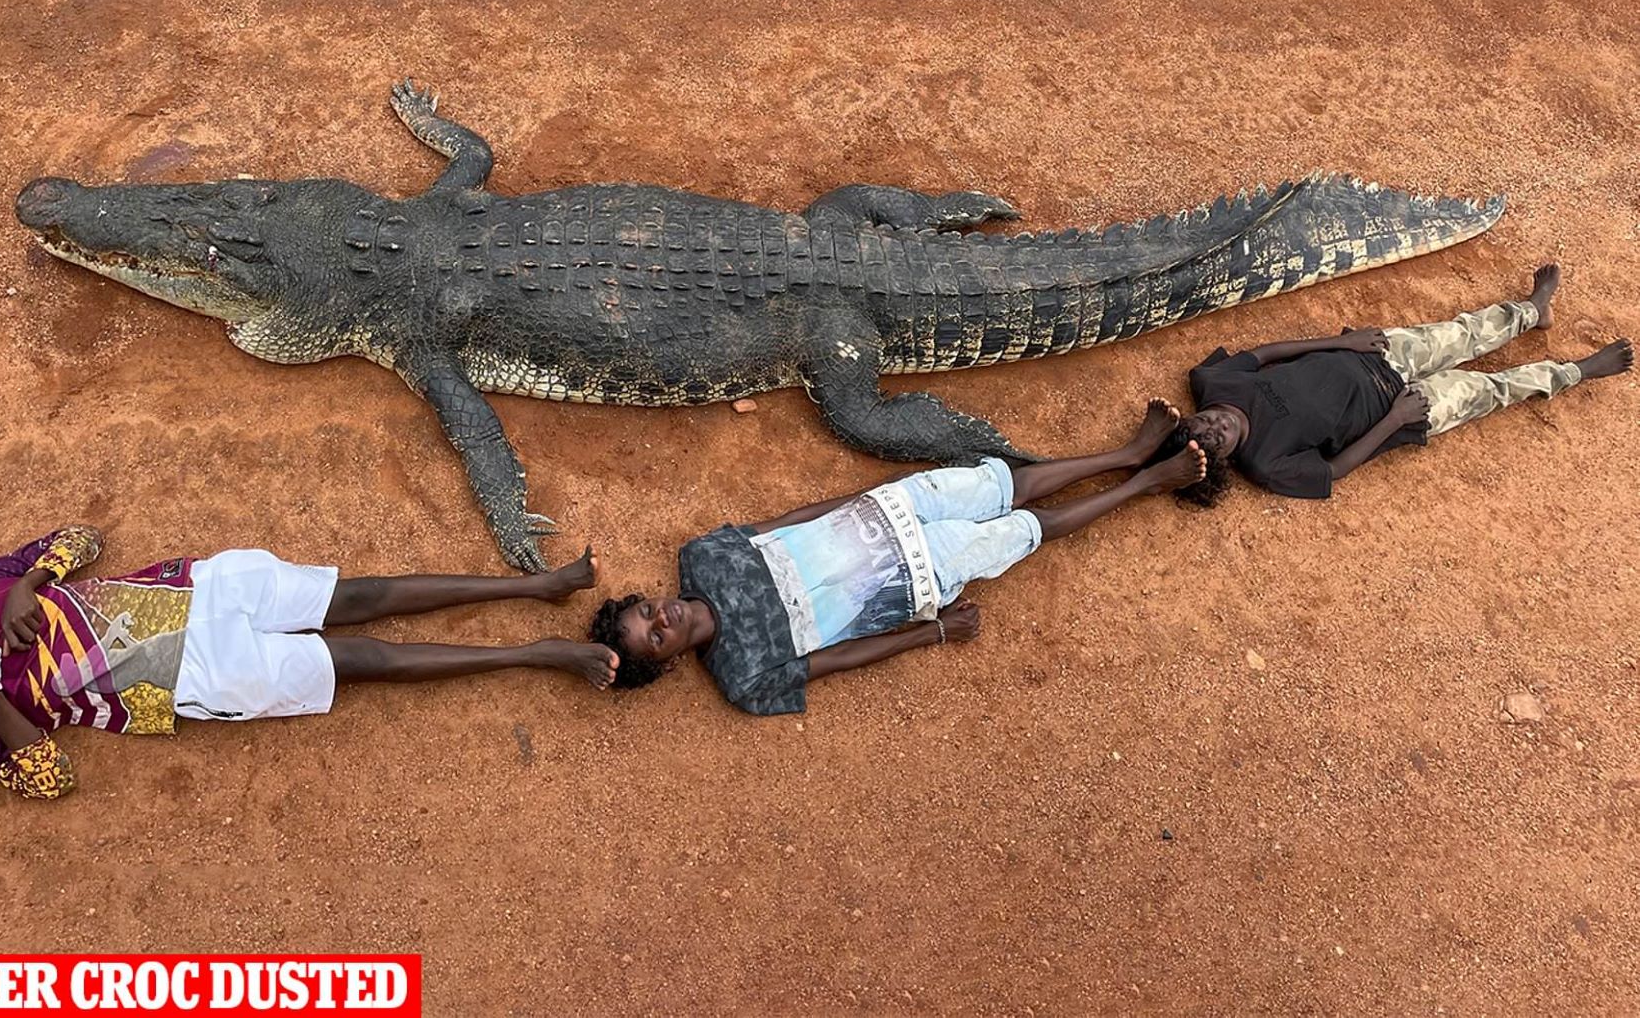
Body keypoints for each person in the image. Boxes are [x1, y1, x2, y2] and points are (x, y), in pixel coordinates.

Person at [0, 529, 615, 799]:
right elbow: (53, 780)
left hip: (192, 588)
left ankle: (535, 585)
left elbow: (80, 539)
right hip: (179, 680)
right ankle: (534, 655)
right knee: (367, 659)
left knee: (360, 595)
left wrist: (29, 582)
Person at [586, 404, 1207, 714]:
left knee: (1003, 487)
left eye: (646, 610)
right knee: (1027, 526)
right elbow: (841, 658)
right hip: (916, 576)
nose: (662, 616)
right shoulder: (742, 678)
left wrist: (871, 495)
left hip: (888, 509)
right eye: (656, 636)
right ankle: (1143, 486)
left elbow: (791, 520)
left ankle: (1126, 454)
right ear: (668, 662)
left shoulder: (701, 556)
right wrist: (932, 631)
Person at [1148, 263, 1633, 505]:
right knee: (1492, 388)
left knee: (1460, 333)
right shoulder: (1267, 465)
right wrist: (1396, 419)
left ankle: (1532, 311)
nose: (1216, 423)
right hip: (1402, 406)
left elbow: (1271, 351)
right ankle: (1577, 372)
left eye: (1201, 422)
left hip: (1374, 354)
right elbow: (1335, 470)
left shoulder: (1212, 381)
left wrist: (1345, 342)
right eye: (1218, 437)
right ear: (1228, 456)